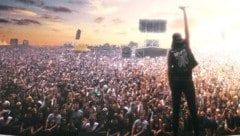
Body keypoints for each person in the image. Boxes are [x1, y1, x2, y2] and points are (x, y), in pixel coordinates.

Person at [167, 6, 199, 136]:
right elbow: (169, 69)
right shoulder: (171, 51)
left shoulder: (185, 45)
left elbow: (187, 31)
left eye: (181, 38)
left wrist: (185, 12)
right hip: (180, 82)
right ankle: (176, 133)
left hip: (184, 82)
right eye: (178, 39)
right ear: (175, 40)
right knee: (177, 110)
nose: (181, 40)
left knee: (192, 108)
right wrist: (171, 85)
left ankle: (197, 132)